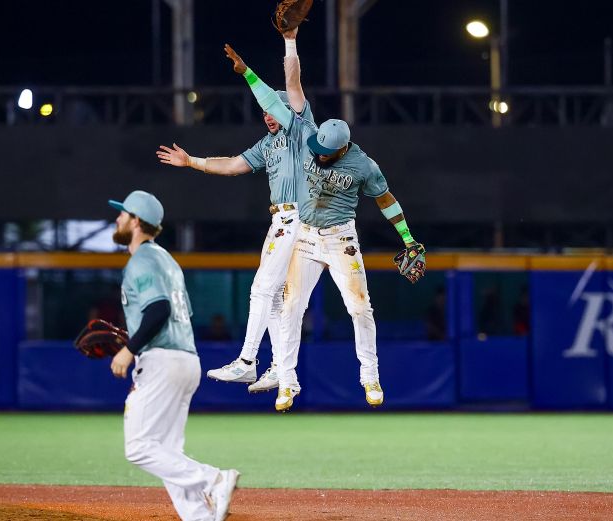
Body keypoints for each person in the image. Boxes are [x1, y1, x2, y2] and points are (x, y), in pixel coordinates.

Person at [224, 39, 424, 412]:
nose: (315, 152)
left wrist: (408, 238)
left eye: (323, 152)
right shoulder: (307, 134)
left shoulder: (363, 166)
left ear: (342, 150)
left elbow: (386, 200)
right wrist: (249, 73)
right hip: (304, 236)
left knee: (359, 308)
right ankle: (286, 381)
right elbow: (281, 96)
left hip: (340, 239)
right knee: (289, 308)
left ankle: (370, 377)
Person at [156, 28, 313, 394]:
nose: (269, 115)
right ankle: (280, 370)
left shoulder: (300, 127)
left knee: (261, 290)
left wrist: (288, 42)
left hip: (298, 220)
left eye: (274, 109)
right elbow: (231, 165)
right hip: (283, 221)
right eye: (265, 112)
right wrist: (191, 161)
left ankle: (246, 362)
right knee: (273, 296)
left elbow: (293, 80)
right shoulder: (267, 144)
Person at [107, 190, 239, 521]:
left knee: (138, 447)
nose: (118, 218)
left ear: (136, 222)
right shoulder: (167, 260)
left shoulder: (142, 260)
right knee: (167, 451)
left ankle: (215, 479)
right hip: (186, 359)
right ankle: (200, 516)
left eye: (123, 214)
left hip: (162, 361)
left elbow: (159, 310)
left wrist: (129, 348)